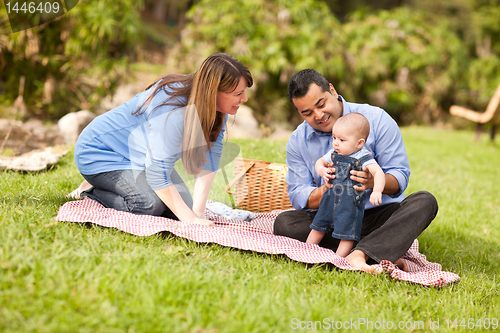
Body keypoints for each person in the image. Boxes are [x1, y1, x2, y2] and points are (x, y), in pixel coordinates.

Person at [274, 69, 438, 273]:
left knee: (424, 202)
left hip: (378, 217)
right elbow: (298, 195)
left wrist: (371, 183)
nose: (319, 115)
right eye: (307, 113)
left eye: (321, 104)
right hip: (333, 218)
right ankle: (376, 251)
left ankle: (359, 254)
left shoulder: (377, 119)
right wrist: (327, 190)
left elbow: (399, 175)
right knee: (284, 223)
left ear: (332, 90)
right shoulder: (298, 140)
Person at [72, 53, 253, 226]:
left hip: (140, 160)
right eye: (237, 93)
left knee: (183, 208)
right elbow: (157, 174)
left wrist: (197, 214)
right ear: (212, 91)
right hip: (101, 152)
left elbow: (210, 158)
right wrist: (190, 221)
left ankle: (113, 185)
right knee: (148, 205)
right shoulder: (172, 110)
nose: (244, 99)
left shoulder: (217, 111)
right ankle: (90, 191)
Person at [306, 113, 385, 259]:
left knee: (347, 234)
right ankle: (307, 251)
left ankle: (337, 259)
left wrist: (377, 190)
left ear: (359, 143)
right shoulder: (333, 153)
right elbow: (319, 163)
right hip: (328, 200)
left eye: (342, 140)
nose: (336, 143)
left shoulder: (363, 157)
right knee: (318, 226)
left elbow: (378, 173)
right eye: (334, 138)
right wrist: (322, 170)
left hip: (350, 205)